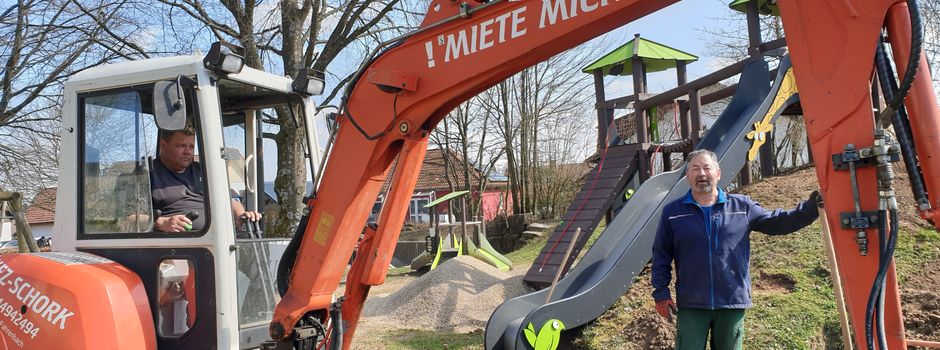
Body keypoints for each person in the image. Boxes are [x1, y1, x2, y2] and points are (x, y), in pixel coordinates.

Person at [651, 149, 821, 350]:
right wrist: (660, 291)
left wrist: (810, 210)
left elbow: (777, 222)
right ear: (687, 175)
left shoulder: (742, 207)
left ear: (718, 173)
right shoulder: (673, 212)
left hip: (732, 301)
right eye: (695, 169)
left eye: (707, 168)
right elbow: (661, 254)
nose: (702, 174)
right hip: (692, 304)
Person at [151, 127, 261, 232]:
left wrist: (241, 216)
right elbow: (133, 216)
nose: (188, 151)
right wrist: (160, 223)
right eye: (181, 146)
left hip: (222, 237)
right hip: (179, 243)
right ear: (163, 145)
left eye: (191, 147)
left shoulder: (203, 171)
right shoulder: (147, 174)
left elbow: (230, 199)